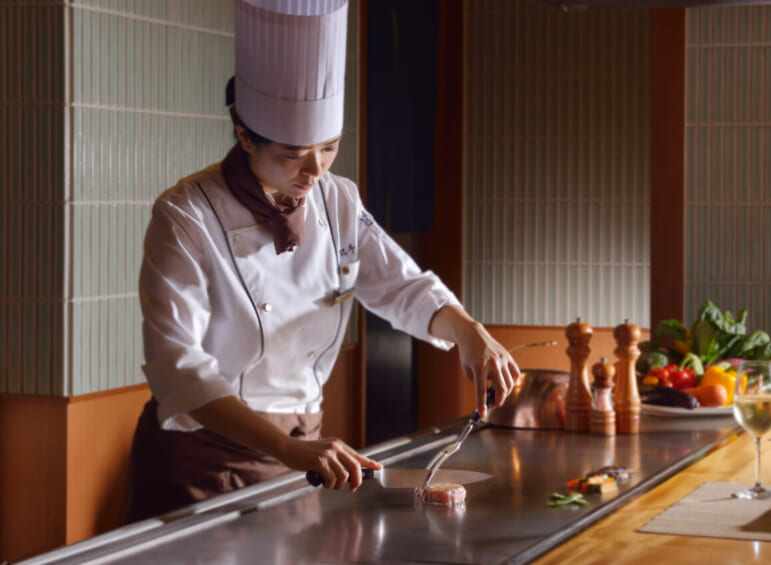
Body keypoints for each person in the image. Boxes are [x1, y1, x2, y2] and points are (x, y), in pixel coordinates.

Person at [120, 0, 518, 524]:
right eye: (292, 153)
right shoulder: (186, 215)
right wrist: (286, 450)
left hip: (307, 450)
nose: (315, 170)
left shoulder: (337, 199)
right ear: (244, 135)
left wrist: (469, 331)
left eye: (328, 148)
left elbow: (402, 286)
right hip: (205, 460)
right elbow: (179, 371)